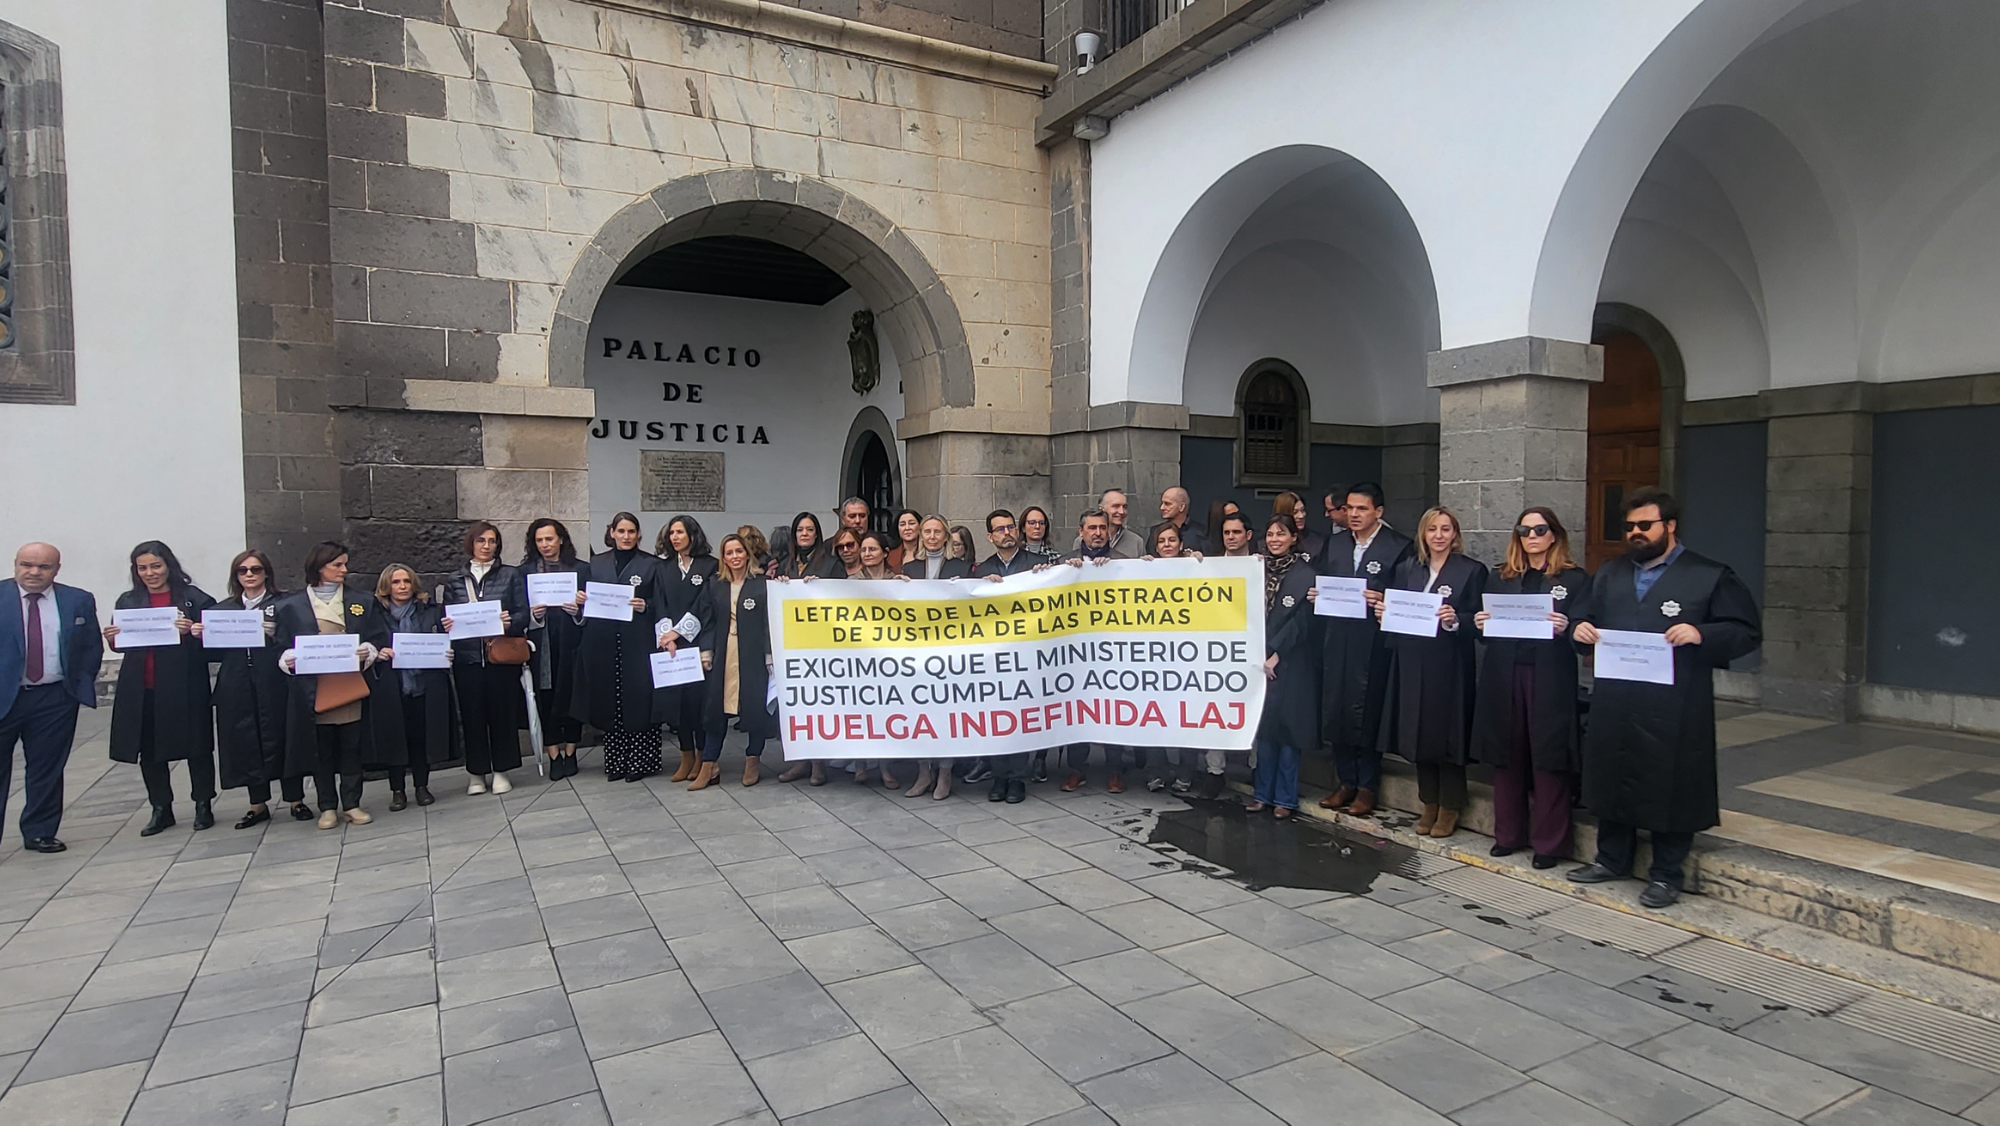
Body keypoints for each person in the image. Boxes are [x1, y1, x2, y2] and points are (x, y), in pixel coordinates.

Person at [1568, 488, 1761, 908]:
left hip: (1675, 702)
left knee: (1671, 779)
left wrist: (1701, 634)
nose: (1636, 533)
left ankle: (1666, 873)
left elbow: (1745, 631)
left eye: (1646, 526)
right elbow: (1584, 617)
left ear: (1669, 526)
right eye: (1631, 527)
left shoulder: (1709, 575)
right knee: (1613, 768)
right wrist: (1579, 630)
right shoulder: (1611, 573)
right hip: (1617, 695)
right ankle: (1611, 858)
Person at [1471, 508, 1589, 868]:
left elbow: (1585, 628)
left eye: (1540, 529)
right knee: (1507, 753)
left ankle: (1549, 844)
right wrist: (1479, 623)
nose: (1532, 536)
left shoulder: (1574, 579)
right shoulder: (1501, 577)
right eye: (1525, 529)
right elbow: (1483, 628)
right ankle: (1508, 834)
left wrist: (1567, 627)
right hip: (1504, 673)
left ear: (1554, 535)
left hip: (1549, 675)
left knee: (1548, 754)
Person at [1380, 506, 1485, 839]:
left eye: (1445, 529)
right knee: (1418, 731)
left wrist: (1456, 620)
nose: (1439, 535)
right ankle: (1429, 801)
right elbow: (1395, 612)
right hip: (1413, 661)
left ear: (1455, 534)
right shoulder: (1408, 569)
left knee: (1447, 732)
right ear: (1423, 534)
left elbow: (1480, 621)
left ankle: (1451, 804)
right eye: (1432, 529)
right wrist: (1384, 612)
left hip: (1449, 662)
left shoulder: (1471, 571)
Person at [1310, 482, 1413, 816]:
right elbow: (1322, 581)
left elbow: (1410, 597)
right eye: (1350, 508)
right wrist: (1316, 595)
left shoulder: (1399, 547)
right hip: (1337, 637)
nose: (1353, 515)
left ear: (1378, 512)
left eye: (1362, 509)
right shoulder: (1336, 544)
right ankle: (1345, 781)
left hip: (1373, 643)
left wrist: (1385, 600)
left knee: (1368, 712)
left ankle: (1368, 785)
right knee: (1337, 706)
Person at [106, 541, 219, 836]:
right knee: (150, 750)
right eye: (142, 568)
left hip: (185, 682)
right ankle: (161, 807)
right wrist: (112, 638)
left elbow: (216, 641)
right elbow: (120, 645)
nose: (150, 573)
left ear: (169, 566)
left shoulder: (194, 598)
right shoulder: (129, 600)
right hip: (143, 684)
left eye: (155, 566)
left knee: (197, 745)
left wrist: (193, 632)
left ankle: (203, 804)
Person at [275, 542, 387, 829]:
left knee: (351, 746)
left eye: (344, 564)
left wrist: (368, 651)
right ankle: (327, 805)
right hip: (314, 687)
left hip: (348, 684)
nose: (344, 570)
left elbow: (378, 636)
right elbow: (279, 645)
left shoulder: (361, 600)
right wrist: (288, 658)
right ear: (319, 567)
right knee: (320, 748)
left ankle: (352, 802)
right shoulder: (290, 605)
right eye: (337, 565)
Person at [0, 543, 102, 853]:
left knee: (46, 769)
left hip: (54, 698)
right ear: (15, 564)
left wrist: (78, 685)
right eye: (27, 564)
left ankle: (40, 831)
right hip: (6, 696)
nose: (34, 572)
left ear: (56, 569)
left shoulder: (77, 600)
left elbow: (90, 647)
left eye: (43, 567)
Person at [202, 550, 307, 828]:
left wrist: (276, 634)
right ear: (235, 576)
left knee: (284, 734)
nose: (249, 575)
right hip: (237, 682)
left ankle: (295, 799)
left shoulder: (284, 604)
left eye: (256, 569)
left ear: (266, 573)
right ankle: (257, 804)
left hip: (274, 679)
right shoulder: (223, 610)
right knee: (246, 740)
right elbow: (211, 655)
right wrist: (203, 636)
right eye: (243, 570)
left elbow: (299, 638)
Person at [572, 513, 665, 782]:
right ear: (611, 532)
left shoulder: (651, 564)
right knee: (612, 701)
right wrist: (581, 599)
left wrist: (646, 606)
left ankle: (642, 761)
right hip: (604, 642)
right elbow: (584, 603)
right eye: (621, 531)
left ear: (638, 534)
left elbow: (662, 602)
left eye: (631, 531)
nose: (626, 536)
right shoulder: (596, 563)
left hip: (638, 641)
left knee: (639, 699)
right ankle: (616, 761)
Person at [440, 522, 526, 796]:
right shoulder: (455, 580)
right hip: (467, 659)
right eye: (481, 541)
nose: (487, 546)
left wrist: (509, 621)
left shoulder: (511, 575)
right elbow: (447, 615)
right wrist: (447, 624)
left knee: (503, 715)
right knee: (472, 716)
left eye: (492, 541)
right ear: (471, 544)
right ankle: (476, 773)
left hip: (500, 657)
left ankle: (502, 770)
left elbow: (523, 613)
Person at [691, 534, 777, 791]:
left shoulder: (761, 584)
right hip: (723, 652)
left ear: (747, 554)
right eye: (729, 552)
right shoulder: (715, 585)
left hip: (751, 654)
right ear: (723, 557)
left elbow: (768, 623)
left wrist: (769, 655)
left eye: (739, 551)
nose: (735, 556)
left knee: (754, 707)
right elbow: (706, 620)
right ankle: (709, 764)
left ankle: (753, 759)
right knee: (716, 708)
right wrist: (705, 651)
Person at [1245, 515, 1316, 818]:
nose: (1275, 539)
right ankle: (1262, 794)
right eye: (1270, 534)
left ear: (1293, 538)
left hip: (1291, 661)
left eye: (1281, 534)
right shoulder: (1255, 569)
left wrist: (1277, 653)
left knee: (1288, 731)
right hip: (1258, 659)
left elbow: (1302, 621)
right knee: (1265, 731)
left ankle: (1285, 798)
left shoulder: (1306, 574)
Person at [1059, 509, 1131, 791]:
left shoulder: (1126, 563)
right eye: (1092, 528)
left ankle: (1115, 770)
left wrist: (1148, 566)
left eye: (1103, 528)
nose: (1098, 533)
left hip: (1112, 650)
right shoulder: (1066, 562)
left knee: (1112, 707)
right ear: (1081, 531)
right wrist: (1054, 573)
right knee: (1078, 709)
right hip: (1076, 653)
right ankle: (1077, 769)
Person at [374, 563, 455, 810]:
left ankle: (422, 786)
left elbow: (443, 638)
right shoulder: (376, 613)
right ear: (387, 586)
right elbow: (367, 641)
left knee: (421, 737)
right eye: (396, 582)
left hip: (423, 683)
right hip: (392, 685)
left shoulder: (429, 610)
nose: (402, 586)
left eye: (406, 581)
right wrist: (379, 652)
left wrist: (447, 650)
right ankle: (397, 790)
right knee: (395, 738)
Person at [969, 510, 1036, 800]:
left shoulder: (1039, 566)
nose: (1006, 533)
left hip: (1029, 655)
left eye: (1010, 527)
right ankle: (998, 777)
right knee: (996, 716)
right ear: (990, 536)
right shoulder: (982, 571)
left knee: (1021, 715)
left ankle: (1018, 778)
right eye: (999, 529)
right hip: (994, 658)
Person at [523, 519, 590, 780]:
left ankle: (572, 751)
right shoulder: (526, 572)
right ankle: (554, 755)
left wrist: (579, 611)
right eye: (539, 540)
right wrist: (534, 616)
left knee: (573, 695)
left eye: (549, 539)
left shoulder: (582, 570)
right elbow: (519, 611)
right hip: (543, 646)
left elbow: (594, 612)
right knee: (546, 698)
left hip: (573, 642)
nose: (545, 545)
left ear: (561, 539)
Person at [654, 515, 719, 783]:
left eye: (680, 532)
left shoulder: (710, 566)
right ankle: (686, 756)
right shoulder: (664, 567)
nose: (675, 537)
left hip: (699, 643)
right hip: (672, 647)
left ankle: (704, 758)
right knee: (678, 704)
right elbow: (660, 602)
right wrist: (667, 636)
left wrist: (679, 631)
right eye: (672, 533)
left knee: (698, 704)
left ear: (692, 534)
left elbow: (707, 605)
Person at [1075, 489, 1143, 558]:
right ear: (1101, 508)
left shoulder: (1136, 542)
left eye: (1125, 507)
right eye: (1116, 506)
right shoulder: (1081, 541)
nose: (1122, 512)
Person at [902, 516, 969, 579]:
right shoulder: (909, 568)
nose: (932, 537)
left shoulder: (962, 567)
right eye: (927, 532)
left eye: (937, 532)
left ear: (946, 536)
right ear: (921, 536)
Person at [774, 512, 828, 580]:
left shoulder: (831, 564)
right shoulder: (785, 564)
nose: (804, 533)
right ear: (794, 534)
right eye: (800, 530)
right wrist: (780, 584)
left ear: (816, 534)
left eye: (810, 530)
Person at [1159, 487, 1207, 555]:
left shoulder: (1201, 532)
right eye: (1161, 541)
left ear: (1181, 507)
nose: (1162, 507)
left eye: (1167, 504)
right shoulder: (1156, 532)